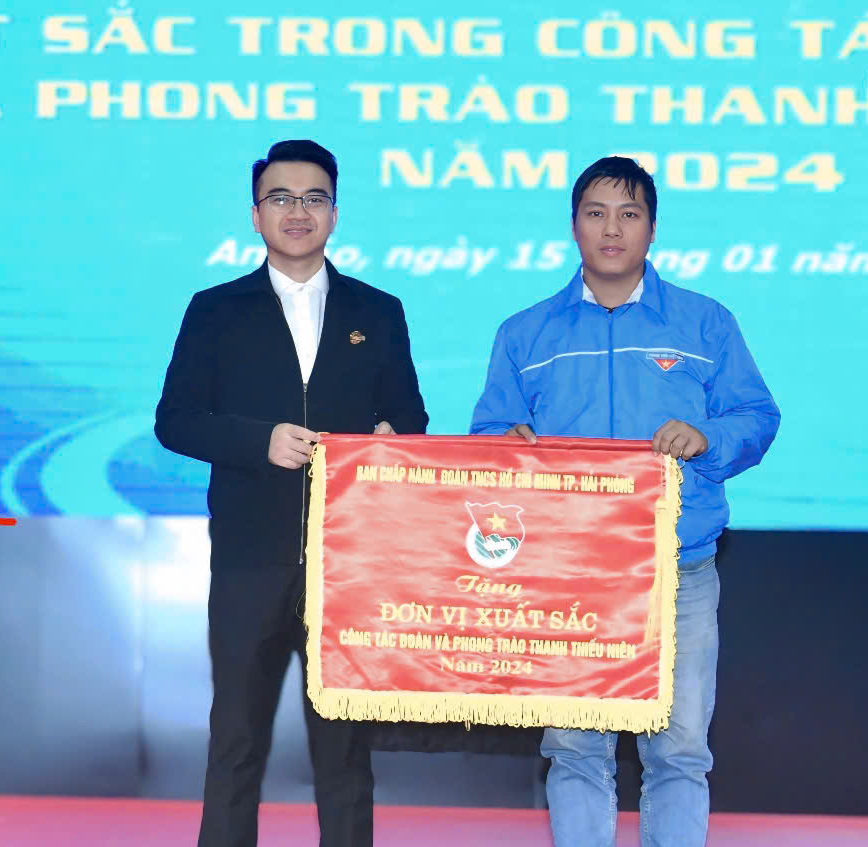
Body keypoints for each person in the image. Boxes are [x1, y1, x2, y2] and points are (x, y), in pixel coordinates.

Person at [469, 156, 779, 847]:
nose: (612, 229)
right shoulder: (525, 332)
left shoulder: (705, 323)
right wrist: (506, 443)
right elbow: (489, 432)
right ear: (574, 226)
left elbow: (757, 417)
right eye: (596, 213)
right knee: (575, 750)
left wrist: (707, 436)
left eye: (629, 214)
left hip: (679, 570)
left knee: (679, 753)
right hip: (568, 575)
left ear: (652, 229)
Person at [155, 139, 429, 847]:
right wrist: (259, 441)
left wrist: (392, 435)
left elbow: (411, 417)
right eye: (281, 198)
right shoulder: (216, 310)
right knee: (236, 741)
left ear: (335, 214)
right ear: (256, 214)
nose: (297, 211)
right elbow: (175, 420)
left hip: (347, 565)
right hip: (250, 559)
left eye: (313, 198)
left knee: (344, 751)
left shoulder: (379, 310)